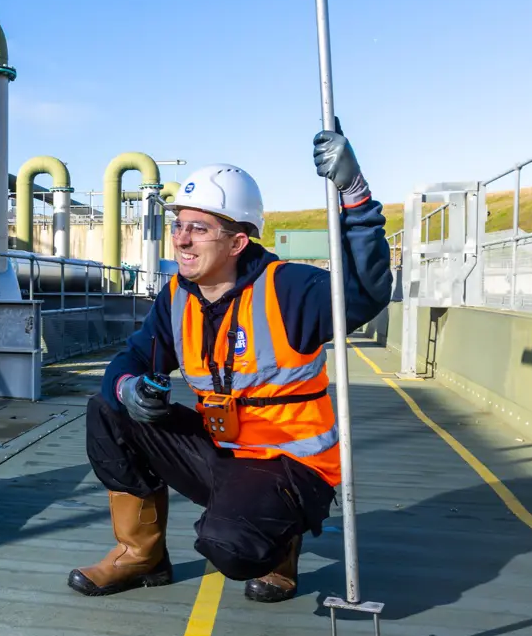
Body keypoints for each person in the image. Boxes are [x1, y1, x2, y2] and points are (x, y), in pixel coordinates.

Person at [67, 128, 392, 603]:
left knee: (230, 547)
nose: (181, 239)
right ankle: (142, 555)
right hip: (222, 452)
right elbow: (132, 358)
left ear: (238, 243)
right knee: (108, 409)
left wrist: (354, 194)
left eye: (198, 228)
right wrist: (129, 389)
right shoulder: (177, 297)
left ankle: (281, 545)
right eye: (180, 226)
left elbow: (365, 292)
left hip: (291, 467)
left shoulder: (290, 290)